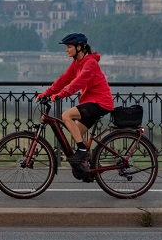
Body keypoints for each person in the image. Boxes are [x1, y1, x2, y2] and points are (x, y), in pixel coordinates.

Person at [37, 32, 114, 179]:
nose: (67, 50)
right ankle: (91, 167)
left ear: (79, 47)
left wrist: (62, 94)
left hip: (100, 102)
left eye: (69, 47)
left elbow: (78, 82)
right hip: (91, 102)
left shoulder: (90, 63)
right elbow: (64, 79)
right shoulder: (77, 63)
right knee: (76, 132)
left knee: (66, 116)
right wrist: (46, 93)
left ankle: (82, 151)